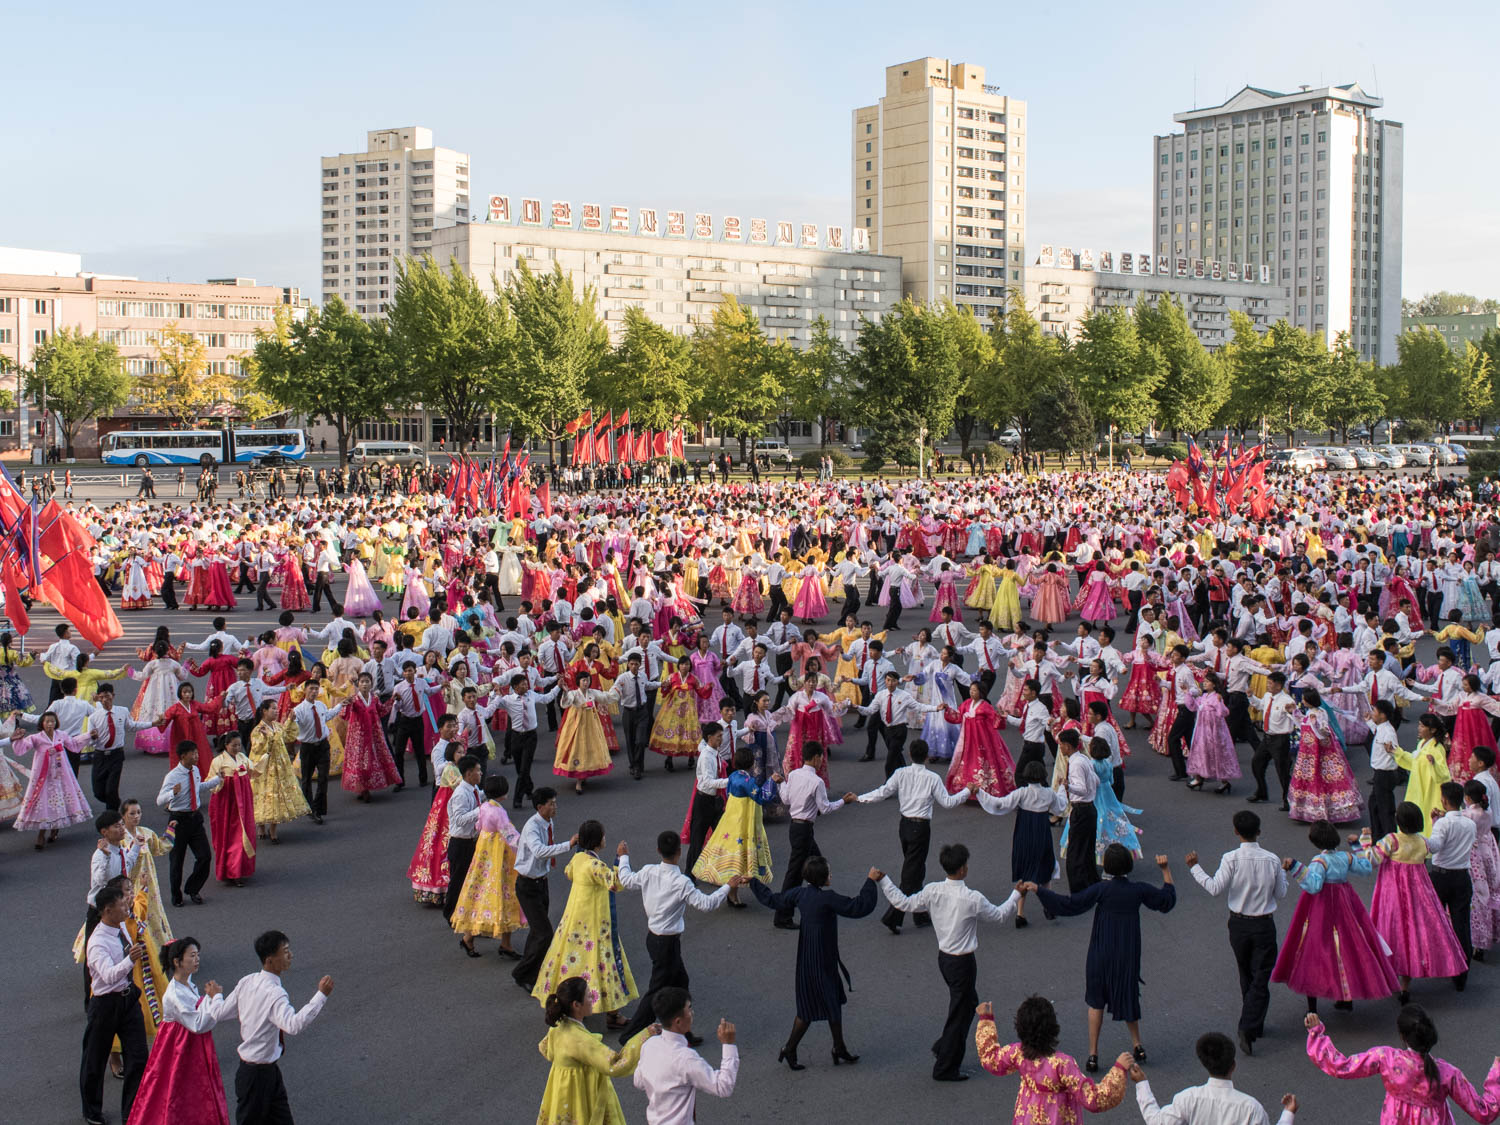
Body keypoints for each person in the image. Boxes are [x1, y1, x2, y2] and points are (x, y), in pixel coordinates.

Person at [877, 843, 1021, 1082]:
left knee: (966, 1003)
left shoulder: (933, 891)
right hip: (963, 963)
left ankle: (943, 1047)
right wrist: (1016, 894)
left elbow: (903, 903)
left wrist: (884, 881)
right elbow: (999, 915)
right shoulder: (972, 898)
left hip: (944, 958)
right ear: (963, 869)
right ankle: (946, 1065)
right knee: (960, 1013)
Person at [1028, 848, 1176, 1072]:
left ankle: (1093, 1054)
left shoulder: (1101, 890)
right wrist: (1165, 871)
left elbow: (1070, 904)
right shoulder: (1138, 890)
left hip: (1101, 951)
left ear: (1106, 866)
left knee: (1096, 1001)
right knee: (1128, 994)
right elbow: (1166, 901)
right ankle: (1138, 1045)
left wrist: (1039, 890)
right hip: (1127, 953)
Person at [749, 857, 879, 1070]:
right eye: (828, 873)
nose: (831, 876)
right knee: (823, 1003)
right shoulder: (828, 899)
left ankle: (834, 1047)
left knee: (820, 1004)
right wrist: (870, 881)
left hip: (808, 957)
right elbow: (858, 907)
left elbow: (774, 900)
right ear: (822, 878)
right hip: (822, 959)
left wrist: (753, 882)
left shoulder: (800, 894)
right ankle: (798, 1047)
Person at [616, 830, 736, 1044]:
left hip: (655, 938)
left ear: (658, 851)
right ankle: (630, 1036)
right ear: (679, 852)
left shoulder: (648, 871)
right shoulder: (681, 882)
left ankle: (683, 1032)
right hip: (668, 944)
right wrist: (728, 886)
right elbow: (706, 904)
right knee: (657, 992)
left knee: (681, 982)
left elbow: (625, 878)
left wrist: (623, 856)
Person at [1184, 810, 1288, 1055]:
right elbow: (1281, 894)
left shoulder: (1230, 858)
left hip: (1238, 925)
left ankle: (1253, 1024)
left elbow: (1214, 888)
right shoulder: (1272, 860)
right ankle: (1249, 1024)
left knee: (1246, 974)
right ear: (1259, 832)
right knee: (1261, 976)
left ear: (1236, 831)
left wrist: (1195, 867)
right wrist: (1282, 871)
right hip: (1264, 924)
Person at [1273, 819, 1399, 1013]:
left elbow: (1314, 885)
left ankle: (1312, 1008)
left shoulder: (1319, 861)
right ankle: (1346, 997)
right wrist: (1356, 845)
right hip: (1346, 903)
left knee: (1314, 949)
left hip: (1322, 908)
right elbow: (1365, 868)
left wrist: (1295, 867)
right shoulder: (1345, 857)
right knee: (1348, 947)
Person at [1304, 1006, 1500, 1123]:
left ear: (1402, 1036)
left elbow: (1342, 1066)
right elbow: (1484, 1112)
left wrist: (1316, 1034)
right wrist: (1497, 1073)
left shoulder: (1385, 1058)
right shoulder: (1448, 1074)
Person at [530, 819, 638, 1026]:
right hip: (595, 924)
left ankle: (568, 1004)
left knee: (571, 962)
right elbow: (616, 882)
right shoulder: (595, 865)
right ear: (598, 841)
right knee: (605, 965)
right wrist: (621, 859)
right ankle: (613, 1013)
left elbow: (568, 872)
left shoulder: (578, 859)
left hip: (573, 922)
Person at [856, 739, 970, 933]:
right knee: (911, 873)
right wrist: (967, 791)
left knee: (915, 868)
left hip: (904, 826)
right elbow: (948, 802)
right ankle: (894, 916)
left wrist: (860, 798)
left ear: (910, 755)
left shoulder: (901, 773)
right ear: (926, 756)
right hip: (921, 828)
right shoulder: (932, 778)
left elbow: (882, 792)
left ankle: (920, 914)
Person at [221, 930, 333, 1125]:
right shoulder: (275, 994)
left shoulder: (247, 981)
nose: (291, 955)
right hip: (257, 1076)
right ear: (270, 960)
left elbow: (223, 1011)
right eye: (286, 951)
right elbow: (293, 1025)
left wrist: (213, 998)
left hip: (262, 1071)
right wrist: (321, 995)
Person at [974, 994, 1130, 1123]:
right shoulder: (1062, 1064)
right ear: (1053, 1028)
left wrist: (986, 1019)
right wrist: (1119, 1070)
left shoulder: (1018, 1053)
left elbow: (991, 1059)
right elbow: (1093, 1099)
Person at [129, 936, 232, 1125]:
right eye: (192, 955)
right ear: (177, 962)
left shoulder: (187, 985)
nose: (197, 959)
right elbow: (198, 1024)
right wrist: (213, 999)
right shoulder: (175, 994)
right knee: (179, 1094)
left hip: (187, 1048)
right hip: (179, 1052)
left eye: (197, 955)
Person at [537, 976, 657, 1125]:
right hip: (581, 1094)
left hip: (561, 1092)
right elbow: (615, 1063)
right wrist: (645, 1036)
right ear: (576, 1005)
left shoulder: (558, 1027)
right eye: (588, 995)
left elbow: (545, 1048)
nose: (593, 997)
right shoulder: (580, 1040)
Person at [79, 884, 149, 1125]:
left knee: (139, 1057)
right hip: (105, 1005)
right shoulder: (97, 942)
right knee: (95, 1060)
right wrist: (130, 960)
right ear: (107, 910)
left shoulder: (120, 928)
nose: (127, 906)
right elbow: (108, 975)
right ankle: (91, 1111)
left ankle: (131, 1112)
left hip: (128, 1000)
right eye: (122, 904)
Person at [771, 742, 857, 930]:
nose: (822, 762)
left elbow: (785, 799)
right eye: (821, 758)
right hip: (804, 829)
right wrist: (844, 801)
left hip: (796, 828)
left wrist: (781, 783)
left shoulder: (793, 775)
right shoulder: (817, 782)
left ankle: (816, 902)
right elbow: (825, 808)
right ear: (817, 757)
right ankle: (782, 915)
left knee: (816, 863)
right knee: (794, 874)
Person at [1131, 1030, 1298, 1125]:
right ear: (1233, 1066)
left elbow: (1155, 1121)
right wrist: (1287, 1113)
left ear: (1205, 1063)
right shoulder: (1251, 1108)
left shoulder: (1187, 1099)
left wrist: (1142, 1084)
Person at [976, 760, 1069, 926]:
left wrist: (981, 793)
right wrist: (1062, 787)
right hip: (1042, 831)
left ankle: (1020, 913)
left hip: (1024, 831)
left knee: (1025, 869)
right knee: (1045, 867)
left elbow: (1000, 804)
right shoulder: (1048, 793)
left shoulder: (1022, 793)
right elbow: (1060, 806)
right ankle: (1049, 905)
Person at [633, 987, 739, 1125]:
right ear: (678, 1021)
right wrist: (728, 1044)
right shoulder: (685, 1058)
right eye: (689, 1009)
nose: (692, 1013)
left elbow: (638, 1082)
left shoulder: (649, 1045)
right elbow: (723, 1086)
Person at [450, 775, 526, 958]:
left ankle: (469, 938)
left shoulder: (484, 807)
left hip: (484, 856)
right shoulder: (499, 812)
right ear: (504, 792)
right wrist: (527, 848)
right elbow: (510, 836)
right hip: (499, 859)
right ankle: (505, 944)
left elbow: (478, 826)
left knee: (479, 894)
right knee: (505, 895)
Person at [511, 787, 579, 993]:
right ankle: (523, 973)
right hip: (528, 885)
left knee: (538, 930)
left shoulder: (548, 822)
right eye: (551, 803)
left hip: (541, 882)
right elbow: (540, 851)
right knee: (544, 933)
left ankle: (532, 967)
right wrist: (568, 844)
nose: (555, 806)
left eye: (555, 802)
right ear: (540, 807)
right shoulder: (532, 827)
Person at [155, 742, 223, 906]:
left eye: (197, 752)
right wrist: (173, 793)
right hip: (178, 820)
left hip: (195, 819)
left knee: (204, 856)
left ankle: (193, 888)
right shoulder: (172, 776)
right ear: (183, 755)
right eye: (193, 753)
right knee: (177, 861)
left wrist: (217, 780)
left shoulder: (195, 770)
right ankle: (176, 896)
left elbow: (197, 788)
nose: (197, 756)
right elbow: (159, 800)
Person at [443, 755, 485, 927]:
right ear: (469, 773)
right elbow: (459, 819)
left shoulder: (473, 789)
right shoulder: (461, 794)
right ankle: (450, 914)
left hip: (471, 841)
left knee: (471, 880)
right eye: (478, 770)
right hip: (460, 843)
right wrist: (481, 810)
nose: (481, 773)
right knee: (457, 881)